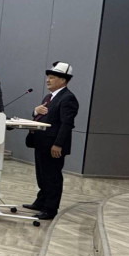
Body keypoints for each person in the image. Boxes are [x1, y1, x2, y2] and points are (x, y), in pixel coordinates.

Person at [24, 61, 79, 220]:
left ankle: (50, 208)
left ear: (63, 80)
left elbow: (66, 124)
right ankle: (41, 201)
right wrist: (35, 111)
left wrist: (58, 144)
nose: (48, 80)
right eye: (48, 77)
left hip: (53, 145)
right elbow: (42, 115)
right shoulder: (49, 97)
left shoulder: (68, 98)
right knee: (42, 175)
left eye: (52, 77)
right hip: (41, 142)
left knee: (52, 176)